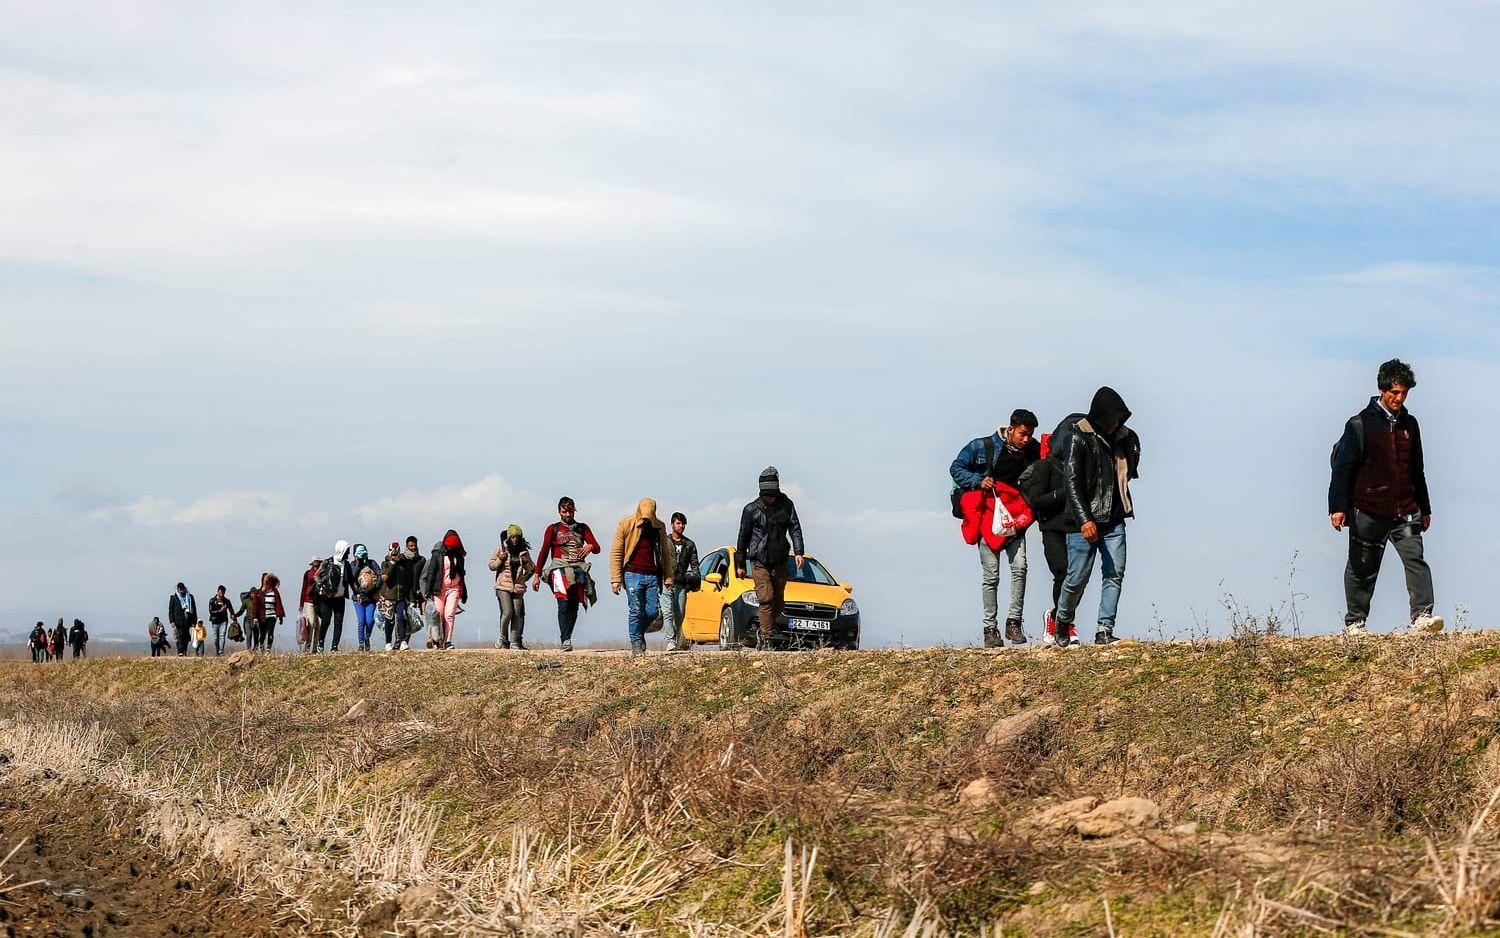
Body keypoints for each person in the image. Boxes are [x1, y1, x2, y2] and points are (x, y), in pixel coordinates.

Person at [1329, 359, 1440, 636]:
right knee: (1361, 568)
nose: (1399, 398)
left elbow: (1417, 469)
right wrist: (1337, 507)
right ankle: (1355, 622)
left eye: (1404, 393)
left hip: (1405, 510)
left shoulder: (1410, 425)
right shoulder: (1359, 424)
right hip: (1368, 510)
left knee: (1416, 560)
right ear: (1381, 389)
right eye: (1394, 392)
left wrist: (1424, 508)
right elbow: (1343, 468)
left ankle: (1422, 617)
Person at [1052, 387, 1141, 647]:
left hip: (1114, 519)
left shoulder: (1123, 438)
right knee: (1077, 578)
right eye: (1114, 419)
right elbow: (1071, 482)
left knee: (1115, 574)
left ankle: (1105, 629)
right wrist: (1084, 520)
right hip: (1084, 521)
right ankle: (1063, 621)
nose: (1117, 424)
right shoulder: (1077, 438)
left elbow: (1128, 470)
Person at [950, 410, 1041, 647]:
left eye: (1030, 435)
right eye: (1022, 434)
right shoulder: (982, 446)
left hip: (1016, 519)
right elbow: (956, 468)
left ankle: (1013, 623)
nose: (1026, 439)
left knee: (1020, 568)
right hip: (988, 519)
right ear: (1010, 429)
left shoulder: (1032, 450)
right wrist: (977, 481)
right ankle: (990, 629)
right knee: (991, 576)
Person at [734, 467, 806, 650]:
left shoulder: (787, 505)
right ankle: (766, 638)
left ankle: (767, 627)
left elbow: (795, 528)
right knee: (766, 598)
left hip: (780, 559)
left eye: (771, 495)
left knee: (778, 601)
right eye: (765, 495)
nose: (768, 498)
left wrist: (799, 552)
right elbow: (743, 537)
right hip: (759, 561)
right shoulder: (750, 510)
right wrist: (740, 564)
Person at [1019, 433, 1071, 647]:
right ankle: (1059, 622)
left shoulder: (1074, 466)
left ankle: (1062, 618)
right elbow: (1036, 500)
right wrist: (1063, 493)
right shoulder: (1043, 467)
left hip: (1075, 528)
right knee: (1062, 572)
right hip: (1052, 528)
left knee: (1075, 578)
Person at [532, 498, 601, 652]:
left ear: (574, 510)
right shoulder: (553, 529)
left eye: (570, 511)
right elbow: (543, 551)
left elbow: (597, 548)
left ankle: (568, 636)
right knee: (563, 603)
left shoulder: (582, 528)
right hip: (558, 569)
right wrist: (537, 574)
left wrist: (590, 546)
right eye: (564, 511)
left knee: (575, 604)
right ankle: (565, 639)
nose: (567, 514)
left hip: (577, 569)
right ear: (559, 512)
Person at [610, 499, 676, 657]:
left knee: (653, 612)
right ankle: (636, 645)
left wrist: (668, 577)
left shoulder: (659, 527)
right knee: (636, 610)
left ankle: (638, 632)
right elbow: (616, 552)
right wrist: (615, 579)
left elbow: (665, 554)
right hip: (632, 574)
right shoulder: (625, 525)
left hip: (652, 575)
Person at [488, 525, 534, 649]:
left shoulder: (524, 552)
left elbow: (531, 570)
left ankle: (514, 642)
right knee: (507, 612)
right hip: (503, 586)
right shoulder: (501, 549)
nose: (514, 539)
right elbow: (492, 566)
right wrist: (500, 560)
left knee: (516, 614)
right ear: (509, 537)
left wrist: (525, 568)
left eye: (517, 537)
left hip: (518, 587)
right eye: (512, 537)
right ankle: (502, 637)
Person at [423, 530, 468, 650]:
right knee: (439, 615)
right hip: (439, 589)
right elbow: (432, 572)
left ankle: (448, 641)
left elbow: (462, 573)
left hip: (454, 588)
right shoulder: (438, 554)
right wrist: (428, 591)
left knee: (449, 615)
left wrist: (463, 590)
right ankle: (437, 640)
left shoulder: (459, 556)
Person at [662, 512, 700, 652]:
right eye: (678, 523)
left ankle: (678, 641)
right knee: (667, 613)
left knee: (679, 614)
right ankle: (670, 641)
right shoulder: (663, 542)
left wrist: (695, 582)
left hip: (681, 584)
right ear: (672, 524)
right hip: (666, 582)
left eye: (683, 523)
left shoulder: (689, 544)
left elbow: (695, 565)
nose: (681, 526)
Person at [314, 540, 351, 652]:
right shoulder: (327, 562)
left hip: (340, 598)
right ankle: (320, 642)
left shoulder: (347, 565)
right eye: (347, 551)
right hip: (327, 598)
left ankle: (334, 646)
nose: (348, 554)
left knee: (338, 623)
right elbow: (316, 576)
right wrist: (322, 586)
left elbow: (350, 579)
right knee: (326, 621)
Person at [348, 544, 382, 652]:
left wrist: (375, 588)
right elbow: (351, 579)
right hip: (358, 599)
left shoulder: (372, 563)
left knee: (370, 621)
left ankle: (367, 637)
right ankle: (361, 643)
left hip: (371, 598)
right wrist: (358, 566)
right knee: (361, 621)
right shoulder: (353, 565)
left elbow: (379, 574)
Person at [377, 542, 409, 652]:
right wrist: (392, 563)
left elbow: (408, 578)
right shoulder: (385, 564)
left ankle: (402, 640)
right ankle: (388, 642)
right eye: (393, 551)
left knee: (402, 617)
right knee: (389, 620)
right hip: (389, 596)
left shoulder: (404, 563)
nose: (395, 553)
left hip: (401, 596)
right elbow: (385, 578)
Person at [400, 535, 425, 650]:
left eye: (415, 545)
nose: (413, 548)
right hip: (402, 593)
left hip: (415, 595)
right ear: (406, 546)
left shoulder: (421, 560)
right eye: (411, 546)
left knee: (411, 619)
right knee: (401, 618)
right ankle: (400, 641)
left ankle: (405, 641)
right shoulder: (402, 560)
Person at [253, 573, 286, 651]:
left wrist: (280, 616)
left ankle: (268, 648)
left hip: (272, 616)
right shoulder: (258, 593)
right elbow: (255, 606)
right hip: (262, 617)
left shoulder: (275, 592)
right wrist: (255, 617)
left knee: (270, 632)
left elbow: (279, 604)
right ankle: (262, 647)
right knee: (263, 633)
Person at [298, 558, 322, 653]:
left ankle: (315, 648)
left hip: (320, 602)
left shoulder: (323, 573)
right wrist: (301, 604)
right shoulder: (308, 573)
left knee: (319, 625)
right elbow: (304, 588)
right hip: (309, 601)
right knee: (311, 623)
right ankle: (308, 646)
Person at [168, 582, 197, 657]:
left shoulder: (190, 597)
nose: (181, 591)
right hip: (178, 620)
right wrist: (172, 621)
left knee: (186, 637)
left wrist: (194, 621)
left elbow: (194, 609)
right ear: (177, 589)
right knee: (179, 635)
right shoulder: (173, 598)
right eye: (180, 590)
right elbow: (171, 610)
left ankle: (184, 650)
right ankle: (180, 651)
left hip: (188, 620)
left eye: (182, 589)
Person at [207, 585, 237, 656]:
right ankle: (217, 651)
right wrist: (220, 611)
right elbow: (211, 611)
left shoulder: (227, 601)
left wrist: (233, 616)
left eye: (223, 593)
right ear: (217, 592)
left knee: (222, 635)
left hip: (223, 621)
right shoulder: (212, 600)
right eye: (220, 593)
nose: (221, 595)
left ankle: (221, 651)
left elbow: (231, 610)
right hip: (215, 622)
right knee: (216, 638)